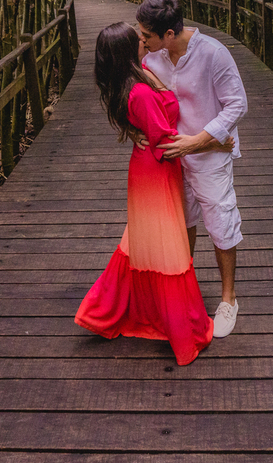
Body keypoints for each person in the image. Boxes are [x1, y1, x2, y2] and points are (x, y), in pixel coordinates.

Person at [75, 22, 229, 365]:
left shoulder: (141, 72)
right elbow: (165, 141)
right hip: (155, 170)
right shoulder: (140, 90)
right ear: (130, 50)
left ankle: (123, 307)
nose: (144, 40)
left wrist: (133, 129)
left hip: (154, 166)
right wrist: (217, 142)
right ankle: (176, 326)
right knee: (165, 247)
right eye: (139, 39)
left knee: (146, 243)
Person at [135, 0, 248, 338]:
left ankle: (229, 299)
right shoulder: (153, 57)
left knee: (219, 220)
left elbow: (237, 105)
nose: (141, 41)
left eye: (145, 36)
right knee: (182, 219)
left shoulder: (213, 54)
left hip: (209, 152)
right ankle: (184, 287)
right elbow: (141, 91)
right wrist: (141, 131)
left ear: (169, 34)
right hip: (171, 155)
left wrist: (199, 141)